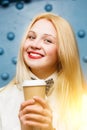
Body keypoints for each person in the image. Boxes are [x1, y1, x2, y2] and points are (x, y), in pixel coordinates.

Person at [0, 12, 87, 130]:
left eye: (48, 40)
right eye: (31, 37)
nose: (35, 45)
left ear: (63, 51)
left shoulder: (83, 102)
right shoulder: (2, 98)